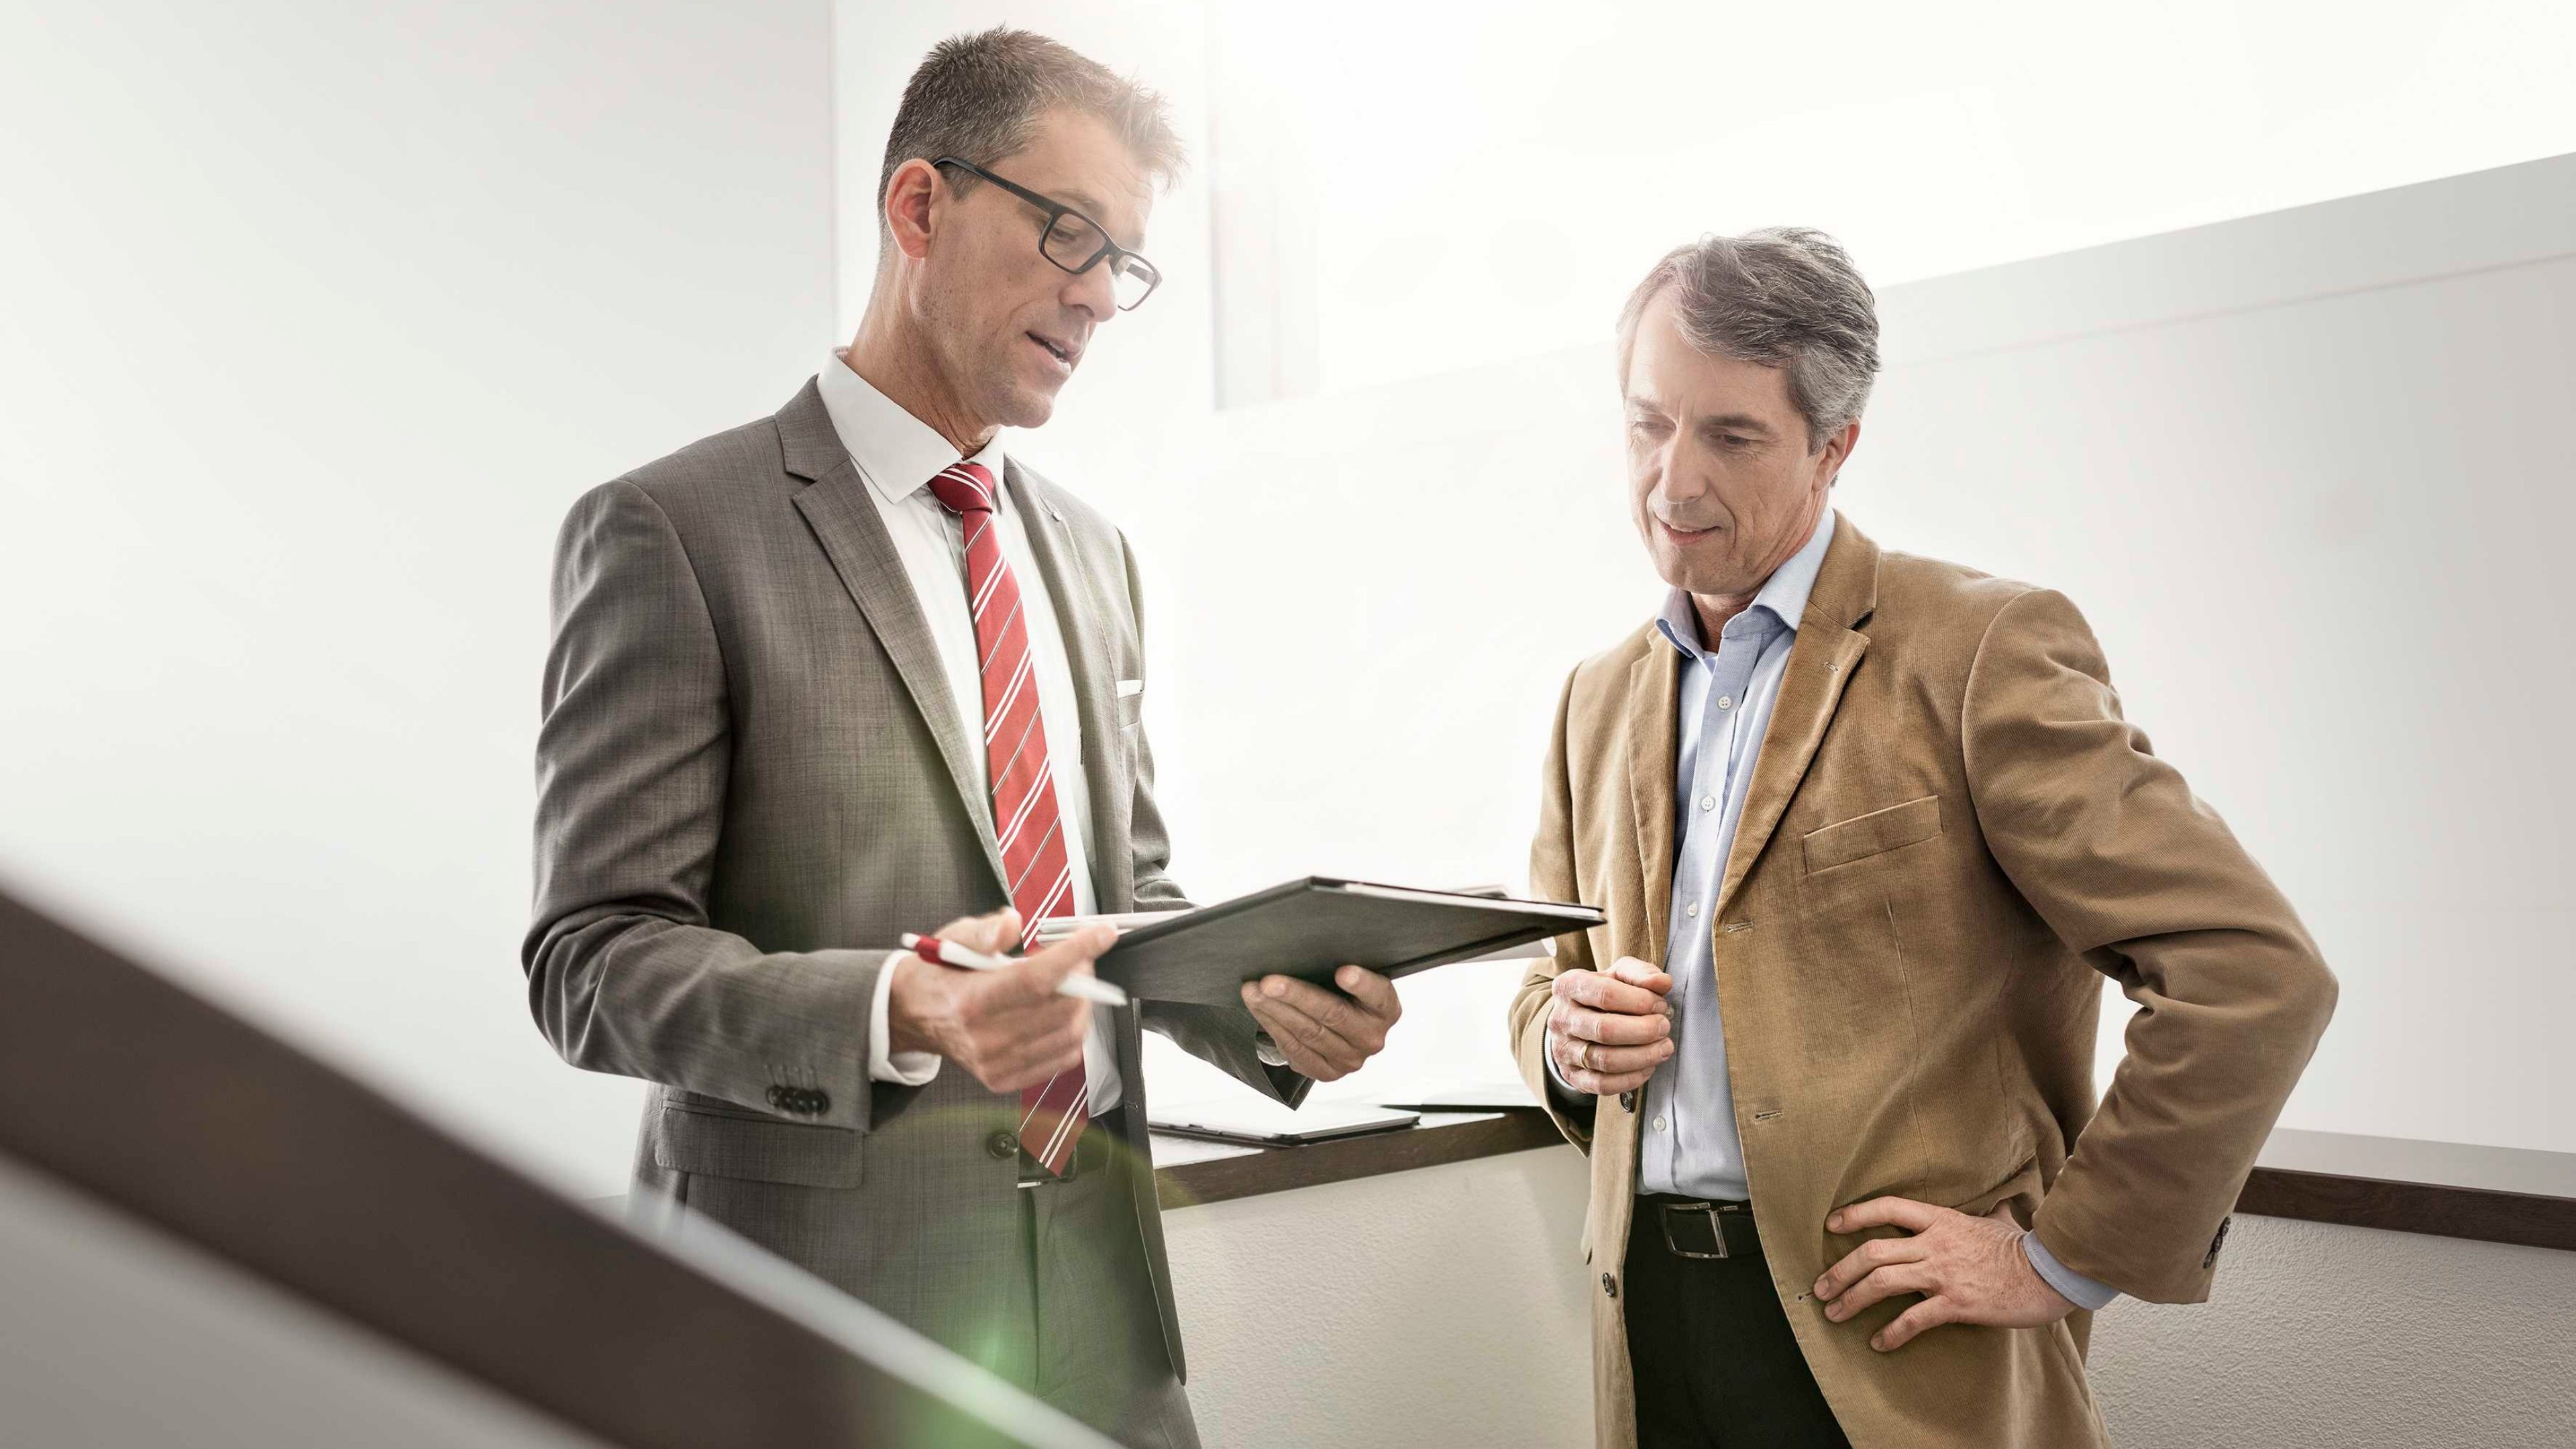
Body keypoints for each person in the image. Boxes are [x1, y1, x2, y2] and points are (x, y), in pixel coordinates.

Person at [524, 29, 1401, 1447]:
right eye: (1071, 234)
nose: (1100, 296)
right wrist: (901, 1006)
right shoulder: (676, 533)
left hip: (1107, 1340)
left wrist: (1269, 1005)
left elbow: (1123, 918)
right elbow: (593, 959)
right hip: (813, 1337)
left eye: (1126, 262)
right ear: (919, 207)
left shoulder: (1094, 557)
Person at [1507, 227, 2336, 1448]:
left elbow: (2255, 974)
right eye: (1647, 425)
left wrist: (2063, 1261)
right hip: (1649, 1333)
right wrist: (1568, 1043)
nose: (1672, 482)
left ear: (1836, 448)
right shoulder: (1596, 696)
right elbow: (1543, 984)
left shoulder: (1978, 651)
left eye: (1731, 437)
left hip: (1896, 1358)